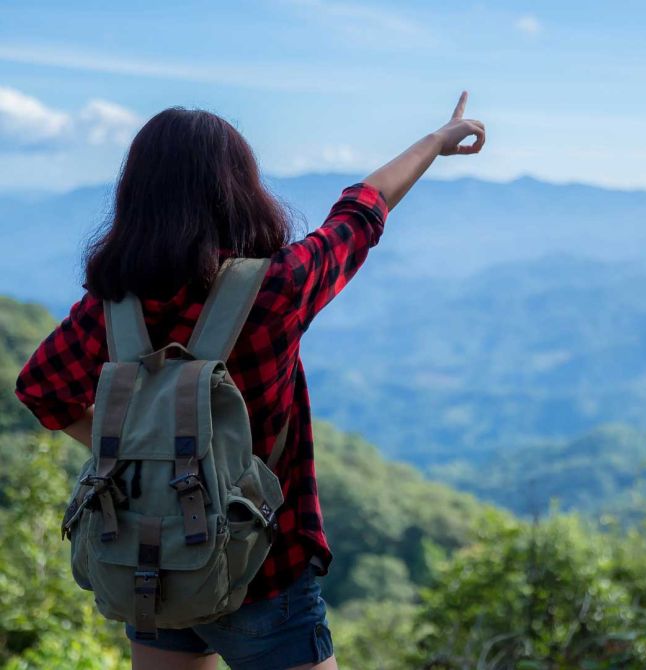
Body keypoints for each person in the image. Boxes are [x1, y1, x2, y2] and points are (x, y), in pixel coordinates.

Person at [13, 92, 486, 670]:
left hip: (152, 562)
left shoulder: (111, 308)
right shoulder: (277, 290)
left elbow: (40, 390)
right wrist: (436, 141)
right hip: (266, 567)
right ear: (239, 189)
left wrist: (145, 453)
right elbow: (363, 209)